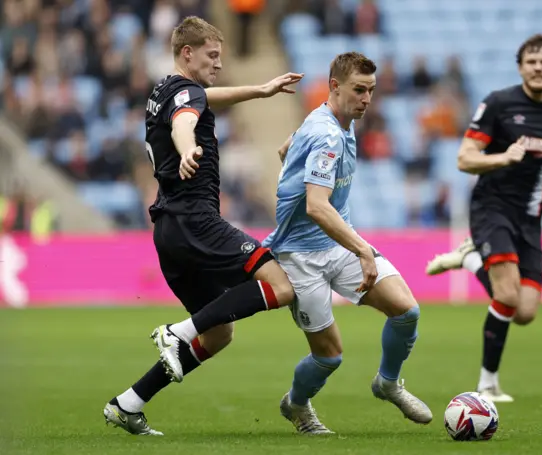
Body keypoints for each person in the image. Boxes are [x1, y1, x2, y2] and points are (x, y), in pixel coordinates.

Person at [103, 16, 303, 435]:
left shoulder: (166, 88)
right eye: (212, 56)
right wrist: (189, 148)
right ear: (187, 53)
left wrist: (261, 90)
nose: (218, 63)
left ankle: (129, 402)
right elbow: (185, 123)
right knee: (281, 287)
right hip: (195, 220)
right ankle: (177, 332)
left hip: (169, 229)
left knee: (219, 334)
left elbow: (202, 100)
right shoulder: (185, 97)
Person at [265, 52, 433, 435]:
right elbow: (317, 206)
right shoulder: (327, 135)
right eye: (360, 90)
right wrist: (362, 249)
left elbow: (291, 145)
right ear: (335, 86)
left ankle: (387, 383)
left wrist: (290, 155)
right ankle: (297, 404)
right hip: (301, 256)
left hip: (336, 245)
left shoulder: (335, 121)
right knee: (330, 357)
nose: (367, 99)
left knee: (406, 311)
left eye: (371, 91)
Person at [425, 34, 542, 403]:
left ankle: (470, 258)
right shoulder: (499, 103)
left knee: (525, 311)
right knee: (507, 294)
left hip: (530, 217)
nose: (539, 68)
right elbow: (464, 158)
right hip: (491, 207)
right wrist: (502, 158)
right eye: (532, 61)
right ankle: (487, 383)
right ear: (521, 67)